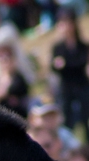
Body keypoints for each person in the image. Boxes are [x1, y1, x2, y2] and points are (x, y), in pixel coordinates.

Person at [51, 9, 89, 141]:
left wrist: (66, 65)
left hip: (81, 85)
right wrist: (70, 66)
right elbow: (55, 67)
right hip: (66, 88)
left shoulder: (83, 46)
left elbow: (81, 64)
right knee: (67, 119)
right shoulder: (58, 48)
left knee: (85, 117)